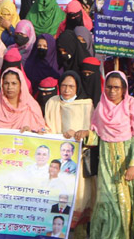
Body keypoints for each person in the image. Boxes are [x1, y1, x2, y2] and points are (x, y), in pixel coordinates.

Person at [75, 71, 134, 239]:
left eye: (116, 88)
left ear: (124, 89)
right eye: (109, 87)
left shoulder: (132, 106)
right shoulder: (101, 107)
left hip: (125, 161)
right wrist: (86, 133)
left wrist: (133, 165)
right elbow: (98, 137)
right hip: (106, 162)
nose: (112, 91)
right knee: (105, 201)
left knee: (124, 202)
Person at [43, 71, 94, 228]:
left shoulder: (87, 105)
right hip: (57, 158)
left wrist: (79, 133)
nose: (66, 90)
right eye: (64, 85)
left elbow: (92, 131)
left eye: (71, 86)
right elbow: (47, 125)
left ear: (77, 88)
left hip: (79, 158)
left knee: (80, 198)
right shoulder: (52, 102)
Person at [0, 68, 47, 132]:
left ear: (21, 85)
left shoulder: (32, 107)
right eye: (6, 83)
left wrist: (32, 131)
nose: (10, 87)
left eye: (14, 83)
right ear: (2, 85)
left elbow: (42, 130)